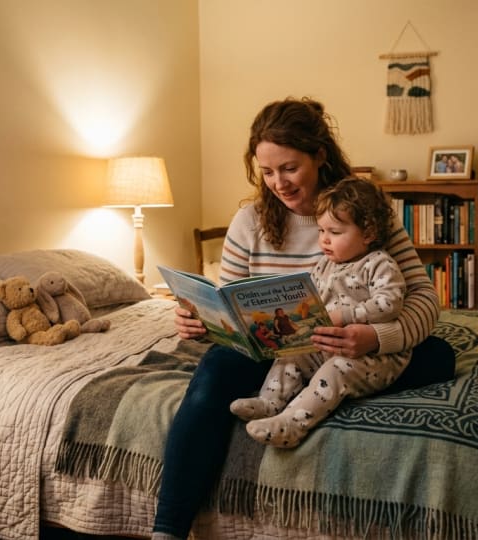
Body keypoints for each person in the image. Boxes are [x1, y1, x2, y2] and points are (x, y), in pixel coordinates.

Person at [151, 97, 456, 540]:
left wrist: (372, 337)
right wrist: (200, 323)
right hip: (273, 353)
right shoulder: (249, 221)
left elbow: (424, 299)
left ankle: (330, 383)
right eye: (267, 172)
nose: (278, 182)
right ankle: (167, 530)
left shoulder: (361, 210)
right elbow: (228, 301)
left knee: (439, 355)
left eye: (289, 168)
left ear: (320, 155)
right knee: (214, 369)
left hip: (347, 344)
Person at [231, 177, 411, 448]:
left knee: (336, 370)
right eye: (321, 231)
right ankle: (271, 402)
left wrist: (346, 315)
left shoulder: (379, 264)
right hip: (328, 344)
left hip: (373, 356)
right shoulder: (325, 264)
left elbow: (390, 304)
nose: (324, 240)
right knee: (291, 355)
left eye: (335, 233)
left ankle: (292, 424)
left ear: (368, 233)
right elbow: (310, 300)